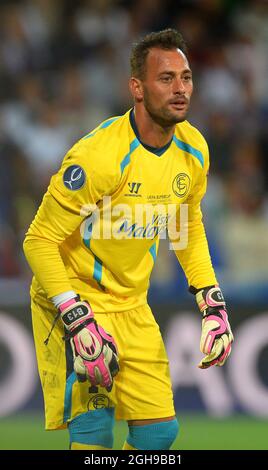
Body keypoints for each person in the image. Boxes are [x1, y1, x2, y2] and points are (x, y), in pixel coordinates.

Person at [23, 28, 233, 451]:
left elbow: (187, 226)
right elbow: (38, 240)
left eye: (186, 77)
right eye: (166, 78)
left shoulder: (193, 150)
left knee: (159, 434)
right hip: (76, 297)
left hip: (133, 304)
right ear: (137, 87)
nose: (180, 89)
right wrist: (75, 317)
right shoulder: (98, 157)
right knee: (94, 432)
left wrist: (211, 302)